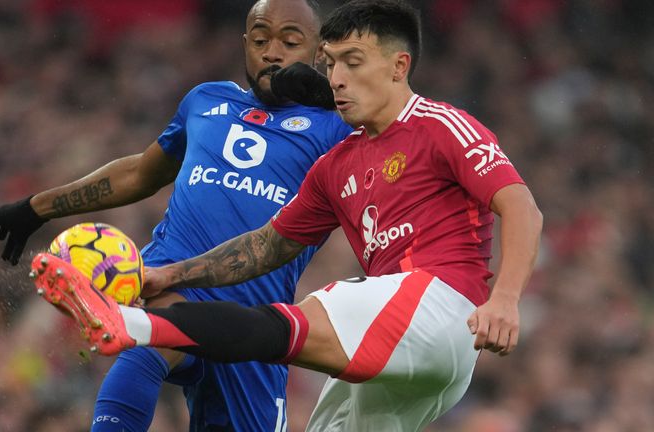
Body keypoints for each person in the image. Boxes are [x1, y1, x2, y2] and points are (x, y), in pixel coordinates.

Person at [31, 0, 543, 430]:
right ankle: (142, 325)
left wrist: (506, 299)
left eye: (354, 61)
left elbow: (520, 205)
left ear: (398, 66)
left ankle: (134, 327)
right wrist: (169, 273)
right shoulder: (334, 166)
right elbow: (264, 247)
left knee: (287, 327)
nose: (337, 78)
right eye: (332, 64)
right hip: (412, 353)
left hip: (442, 308)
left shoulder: (440, 124)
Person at [0, 0, 352, 430]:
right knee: (147, 341)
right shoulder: (206, 100)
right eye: (259, 40)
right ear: (244, 45)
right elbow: (141, 173)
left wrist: (331, 93)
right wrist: (36, 208)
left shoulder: (339, 127)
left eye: (290, 42)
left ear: (317, 52)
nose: (273, 52)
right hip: (172, 275)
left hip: (257, 320)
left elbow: (400, 123)